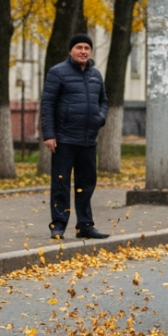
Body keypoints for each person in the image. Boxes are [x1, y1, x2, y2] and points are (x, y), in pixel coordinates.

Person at [39, 34, 109, 240]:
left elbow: (103, 100)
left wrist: (100, 117)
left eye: (87, 48)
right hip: (64, 140)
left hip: (88, 140)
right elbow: (47, 105)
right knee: (61, 183)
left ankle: (85, 226)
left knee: (86, 184)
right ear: (71, 51)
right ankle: (58, 225)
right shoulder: (57, 73)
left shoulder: (96, 75)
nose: (83, 51)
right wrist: (49, 134)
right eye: (79, 47)